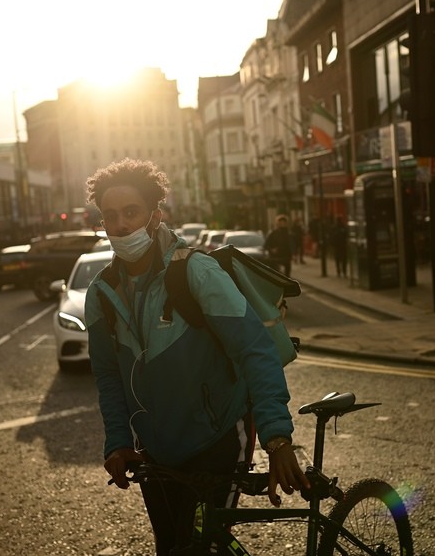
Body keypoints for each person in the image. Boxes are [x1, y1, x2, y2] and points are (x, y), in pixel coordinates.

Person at [83, 159, 309, 555]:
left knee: (199, 549)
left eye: (131, 213)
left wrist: (277, 439)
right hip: (156, 449)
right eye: (109, 216)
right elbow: (107, 373)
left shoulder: (196, 272)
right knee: (171, 548)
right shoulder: (101, 293)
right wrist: (118, 441)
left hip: (218, 438)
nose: (119, 226)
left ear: (155, 215)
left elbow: (255, 350)